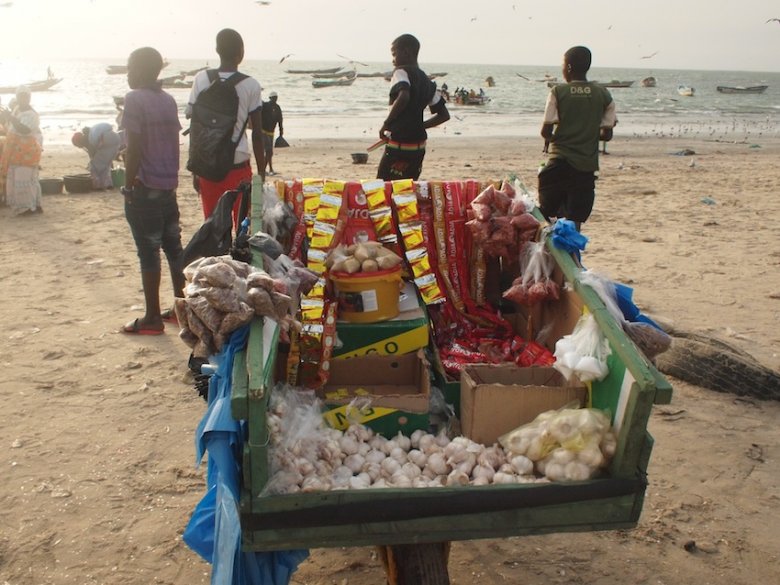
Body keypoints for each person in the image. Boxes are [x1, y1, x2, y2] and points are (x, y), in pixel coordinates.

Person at [120, 46, 185, 335]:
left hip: (145, 186)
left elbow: (134, 147)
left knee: (148, 252)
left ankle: (152, 318)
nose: (127, 73)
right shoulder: (167, 100)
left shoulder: (134, 99)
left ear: (139, 70)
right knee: (173, 248)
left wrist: (127, 184)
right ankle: (181, 309)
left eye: (129, 68)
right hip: (168, 184)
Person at [186, 28, 264, 222]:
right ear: (241, 53)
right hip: (238, 164)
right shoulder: (251, 85)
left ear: (217, 50)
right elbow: (257, 133)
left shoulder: (201, 79)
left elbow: (195, 127)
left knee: (212, 225)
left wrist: (195, 170)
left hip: (207, 165)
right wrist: (261, 175)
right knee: (242, 226)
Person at [538, 45, 616, 231]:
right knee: (575, 221)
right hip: (585, 168)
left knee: (546, 218)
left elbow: (545, 131)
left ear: (569, 67)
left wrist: (561, 137)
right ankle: (572, 248)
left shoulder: (558, 92)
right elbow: (607, 135)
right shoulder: (603, 94)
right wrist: (587, 134)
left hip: (559, 163)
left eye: (563, 66)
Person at [377, 34, 450, 181]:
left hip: (399, 144)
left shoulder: (400, 72)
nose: (393, 60)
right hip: (418, 147)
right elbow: (444, 115)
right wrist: (420, 126)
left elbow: (404, 96)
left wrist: (387, 123)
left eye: (394, 54)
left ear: (406, 52)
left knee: (383, 185)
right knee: (407, 187)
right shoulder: (427, 81)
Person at [0, 86, 43, 216]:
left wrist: (11, 118)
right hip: (16, 152)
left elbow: (24, 130)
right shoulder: (17, 109)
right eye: (20, 96)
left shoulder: (32, 114)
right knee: (25, 180)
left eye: (25, 96)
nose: (23, 99)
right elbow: (11, 126)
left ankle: (27, 208)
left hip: (26, 152)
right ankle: (34, 205)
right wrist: (6, 117)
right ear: (17, 97)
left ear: (29, 98)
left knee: (24, 180)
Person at [71, 123, 122, 189]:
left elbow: (93, 156)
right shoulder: (90, 134)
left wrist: (91, 164)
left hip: (106, 139)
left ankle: (97, 185)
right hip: (116, 138)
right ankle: (109, 184)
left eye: (77, 145)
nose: (79, 147)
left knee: (94, 166)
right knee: (106, 164)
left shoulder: (85, 140)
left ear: (78, 141)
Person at [260, 90, 283, 175]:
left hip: (271, 132)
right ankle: (263, 170)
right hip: (263, 131)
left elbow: (280, 120)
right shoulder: (265, 105)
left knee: (269, 152)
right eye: (273, 98)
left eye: (275, 98)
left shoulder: (277, 107)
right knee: (269, 151)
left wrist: (281, 131)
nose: (274, 99)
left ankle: (269, 169)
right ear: (270, 98)